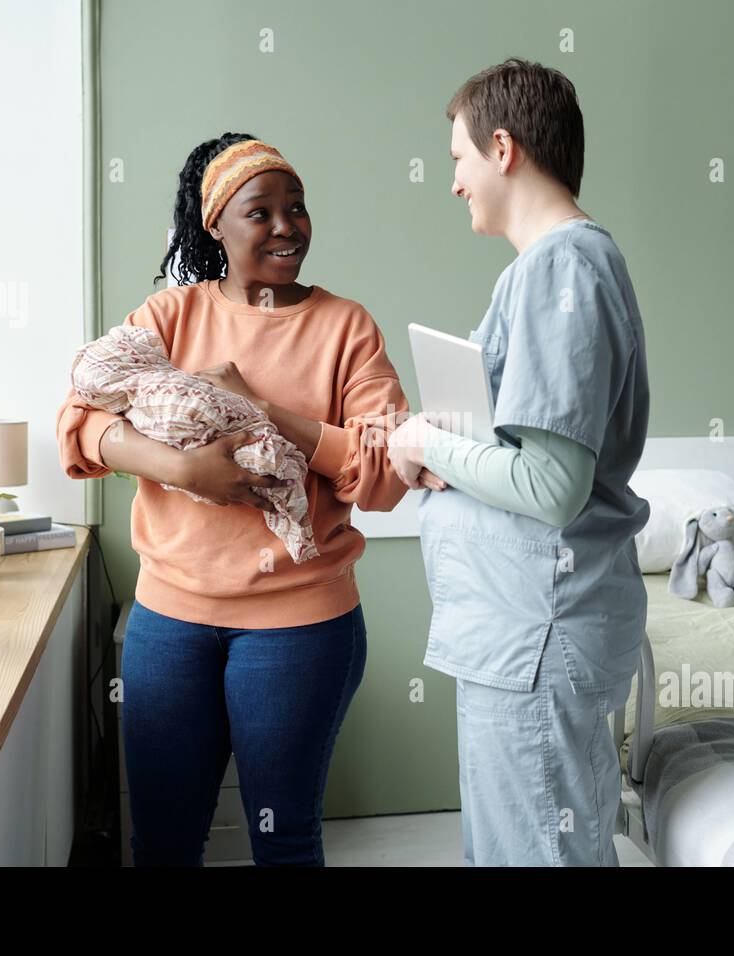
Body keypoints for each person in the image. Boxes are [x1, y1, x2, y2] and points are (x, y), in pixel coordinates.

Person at [56, 134, 432, 866]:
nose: (288, 226)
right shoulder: (169, 318)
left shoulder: (347, 328)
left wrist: (260, 407)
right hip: (170, 622)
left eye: (297, 209)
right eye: (261, 212)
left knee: (281, 839)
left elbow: (384, 476)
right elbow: (79, 421)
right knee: (162, 842)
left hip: (301, 630)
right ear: (215, 228)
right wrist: (184, 469)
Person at [388, 58, 652, 866]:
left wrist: (425, 445)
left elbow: (552, 484)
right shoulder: (551, 270)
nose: (455, 184)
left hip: (538, 631)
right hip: (522, 631)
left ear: (503, 148)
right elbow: (529, 450)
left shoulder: (560, 269)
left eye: (459, 161)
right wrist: (451, 444)